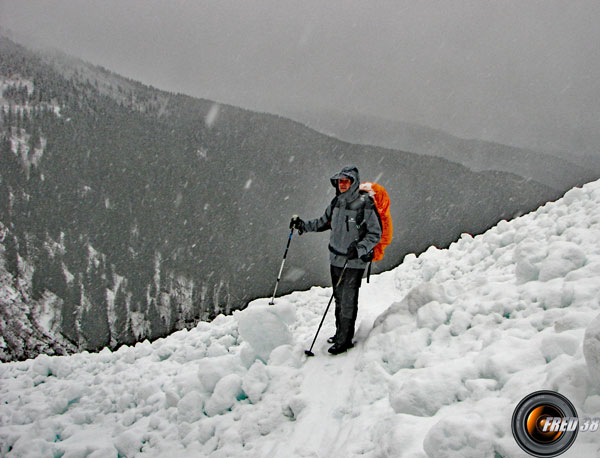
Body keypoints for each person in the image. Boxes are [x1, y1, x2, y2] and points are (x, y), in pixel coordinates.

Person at [290, 165, 382, 355]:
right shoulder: (336, 203)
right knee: (339, 298)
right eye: (340, 181)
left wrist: (359, 249)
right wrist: (302, 226)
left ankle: (344, 341)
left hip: (353, 262)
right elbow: (323, 222)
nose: (342, 184)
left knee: (348, 300)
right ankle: (341, 333)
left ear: (354, 183)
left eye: (346, 181)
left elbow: (375, 233)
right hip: (336, 259)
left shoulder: (365, 204)